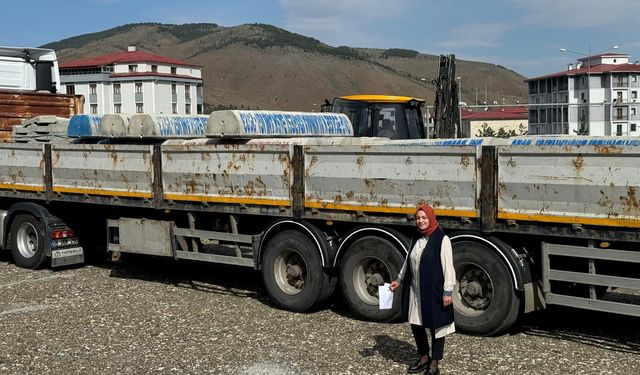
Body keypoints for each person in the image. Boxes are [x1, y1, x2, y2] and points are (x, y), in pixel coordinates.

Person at [390, 204, 456, 375]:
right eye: (418, 218)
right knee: (416, 323)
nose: (421, 221)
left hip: (434, 291)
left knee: (437, 326)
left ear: (431, 218)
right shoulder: (416, 238)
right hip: (416, 290)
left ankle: (434, 364)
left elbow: (449, 267)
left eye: (424, 217)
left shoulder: (442, 239)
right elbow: (408, 261)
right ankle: (423, 357)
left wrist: (448, 291)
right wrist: (399, 279)